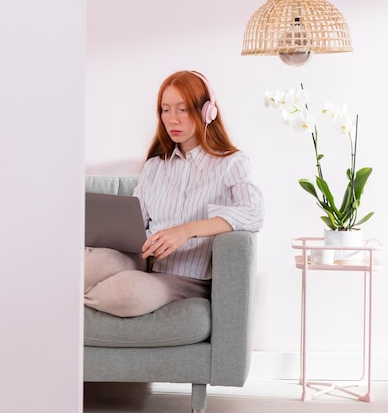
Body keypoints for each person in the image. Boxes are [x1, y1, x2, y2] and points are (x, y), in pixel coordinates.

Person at [85, 70, 264, 317]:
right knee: (82, 265)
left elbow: (253, 213)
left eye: (182, 109)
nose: (173, 120)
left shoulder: (232, 163)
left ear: (206, 112)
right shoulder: (155, 166)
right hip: (144, 259)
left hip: (185, 277)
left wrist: (186, 230)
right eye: (165, 110)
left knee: (122, 292)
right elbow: (137, 222)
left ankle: (71, 297)